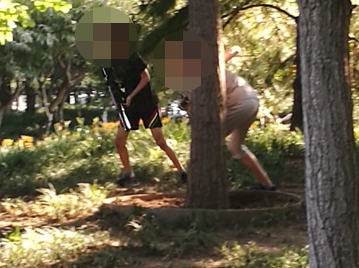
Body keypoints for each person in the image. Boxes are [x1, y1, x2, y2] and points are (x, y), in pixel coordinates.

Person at [181, 46, 277, 191]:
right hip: (251, 102)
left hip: (241, 103)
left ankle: (202, 180)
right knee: (235, 148)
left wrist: (219, 61)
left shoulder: (203, 73)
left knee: (209, 138)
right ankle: (267, 184)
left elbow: (234, 50)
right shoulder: (194, 83)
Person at [107, 50, 185, 187]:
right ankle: (128, 173)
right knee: (119, 142)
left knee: (160, 141)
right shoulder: (113, 65)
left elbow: (145, 77)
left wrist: (131, 95)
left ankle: (182, 171)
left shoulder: (132, 56)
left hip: (147, 105)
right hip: (130, 108)